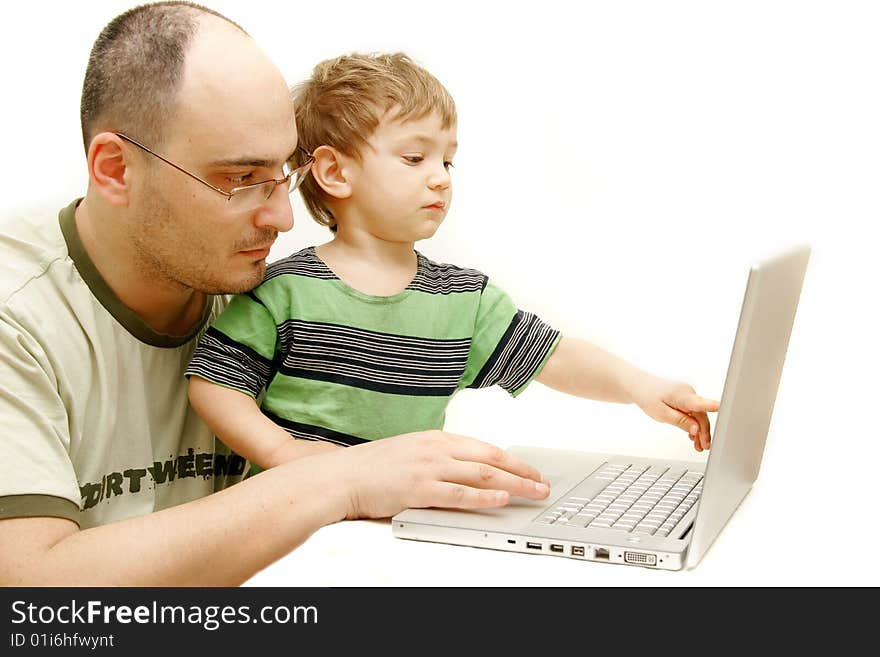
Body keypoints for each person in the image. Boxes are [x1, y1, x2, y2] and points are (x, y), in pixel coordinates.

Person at [0, 2, 555, 587]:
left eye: (282, 174)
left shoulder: (265, 291)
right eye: (241, 179)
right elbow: (28, 583)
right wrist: (339, 478)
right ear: (115, 169)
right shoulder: (18, 316)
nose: (285, 218)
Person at [186, 52, 720, 475]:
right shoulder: (284, 291)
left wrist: (642, 388)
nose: (441, 177)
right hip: (294, 522)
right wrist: (287, 456)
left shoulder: (464, 300)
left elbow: (555, 357)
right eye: (414, 158)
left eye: (447, 159)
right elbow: (213, 384)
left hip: (400, 525)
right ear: (335, 173)